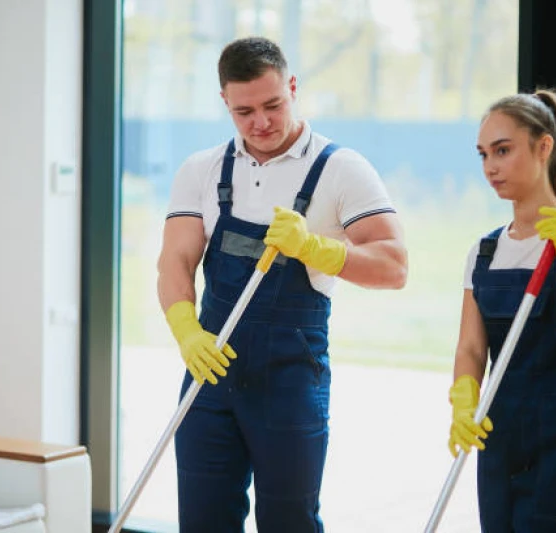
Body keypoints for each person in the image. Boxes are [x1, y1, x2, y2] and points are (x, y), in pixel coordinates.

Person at [156, 36, 408, 532]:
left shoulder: (341, 170)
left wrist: (317, 248)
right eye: (244, 111)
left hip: (291, 378)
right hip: (212, 372)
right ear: (225, 102)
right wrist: (186, 331)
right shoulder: (203, 170)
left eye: (273, 105)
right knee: (203, 519)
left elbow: (394, 266)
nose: (261, 123)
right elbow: (174, 264)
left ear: (292, 87)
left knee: (289, 520)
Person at [447, 88, 556, 532]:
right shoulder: (484, 251)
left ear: (543, 146)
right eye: (484, 154)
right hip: (501, 433)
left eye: (503, 151)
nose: (491, 166)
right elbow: (471, 346)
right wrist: (463, 398)